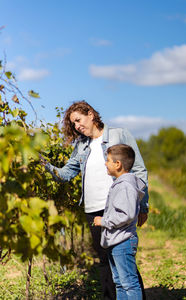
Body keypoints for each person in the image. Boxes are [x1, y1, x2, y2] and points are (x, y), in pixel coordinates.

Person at [41, 100, 148, 300]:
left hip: (116, 209)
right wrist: (43, 164)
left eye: (78, 120)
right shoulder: (81, 145)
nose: (77, 126)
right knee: (105, 261)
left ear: (90, 114)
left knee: (123, 259)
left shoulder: (119, 134)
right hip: (93, 209)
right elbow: (65, 174)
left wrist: (143, 205)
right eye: (73, 124)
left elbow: (139, 170)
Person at [94, 144, 145, 300]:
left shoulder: (125, 186)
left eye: (108, 160)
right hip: (116, 240)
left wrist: (104, 220)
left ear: (118, 164)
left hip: (123, 241)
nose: (105, 163)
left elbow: (126, 214)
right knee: (120, 283)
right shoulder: (121, 184)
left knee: (129, 283)